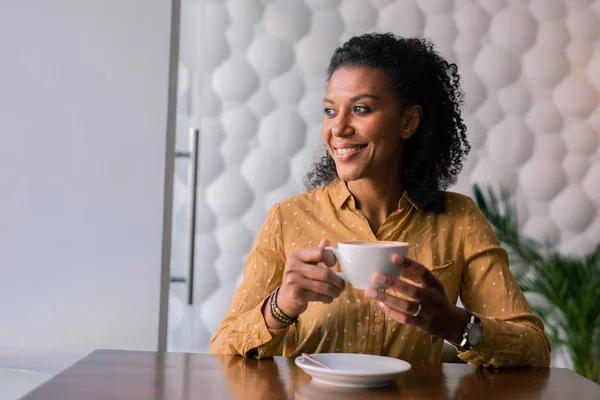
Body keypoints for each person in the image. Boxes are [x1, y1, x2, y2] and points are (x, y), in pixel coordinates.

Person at [210, 33, 551, 367]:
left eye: (360, 109)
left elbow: (534, 347)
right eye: (330, 111)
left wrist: (453, 323)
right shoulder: (288, 218)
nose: (339, 128)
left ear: (408, 121)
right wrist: (281, 305)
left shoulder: (459, 219)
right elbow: (224, 348)